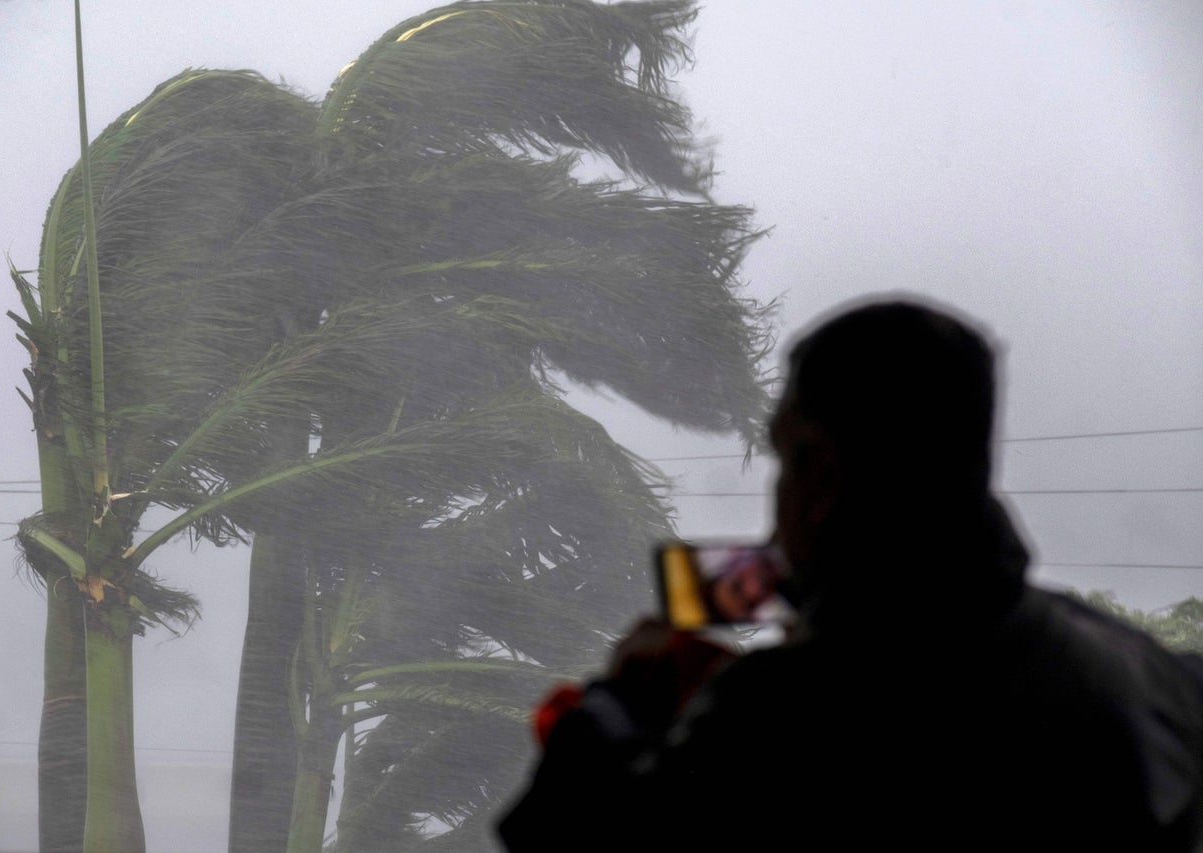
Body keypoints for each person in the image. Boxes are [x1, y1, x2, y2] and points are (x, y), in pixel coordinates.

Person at [497, 294, 1203, 851]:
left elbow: (565, 829)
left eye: (783, 456)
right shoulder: (1139, 667)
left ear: (822, 471)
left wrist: (620, 699)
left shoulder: (781, 714)